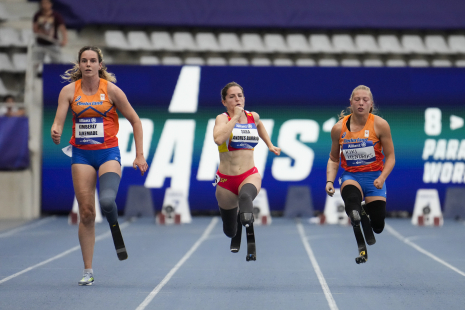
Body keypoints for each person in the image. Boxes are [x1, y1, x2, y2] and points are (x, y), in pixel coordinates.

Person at [51, 46, 148, 286]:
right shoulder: (68, 91)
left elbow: (135, 121)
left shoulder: (112, 91)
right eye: (84, 61)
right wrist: (56, 131)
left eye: (92, 61)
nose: (88, 64)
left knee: (106, 201)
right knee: (86, 213)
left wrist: (140, 155)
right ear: (79, 65)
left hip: (108, 154)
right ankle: (88, 270)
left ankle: (114, 225)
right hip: (81, 155)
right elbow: (58, 121)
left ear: (100, 65)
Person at [213, 82, 281, 253]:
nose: (237, 99)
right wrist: (235, 117)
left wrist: (270, 144)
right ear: (224, 102)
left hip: (249, 174)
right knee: (229, 230)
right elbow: (219, 139)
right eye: (232, 96)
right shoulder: (222, 119)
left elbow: (259, 126)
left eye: (240, 95)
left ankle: (250, 238)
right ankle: (235, 231)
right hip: (226, 180)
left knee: (245, 197)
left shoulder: (253, 116)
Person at [326, 85, 395, 237]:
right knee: (352, 205)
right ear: (351, 103)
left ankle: (364, 208)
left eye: (365, 100)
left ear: (371, 103)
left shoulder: (380, 125)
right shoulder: (338, 128)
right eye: (357, 100)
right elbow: (333, 158)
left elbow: (391, 157)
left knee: (378, 226)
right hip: (351, 177)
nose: (361, 103)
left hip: (374, 177)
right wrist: (329, 181)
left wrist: (382, 177)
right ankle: (355, 209)